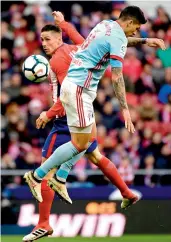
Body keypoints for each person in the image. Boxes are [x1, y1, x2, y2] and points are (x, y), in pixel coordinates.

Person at [24, 7, 166, 241]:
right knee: (81, 145)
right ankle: (40, 183)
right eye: (136, 28)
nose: (136, 32)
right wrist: (125, 110)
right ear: (129, 22)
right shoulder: (63, 57)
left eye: (47, 39)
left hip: (80, 93)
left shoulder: (104, 25)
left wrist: (144, 40)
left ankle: (61, 182)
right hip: (78, 95)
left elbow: (98, 41)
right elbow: (117, 75)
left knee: (90, 146)